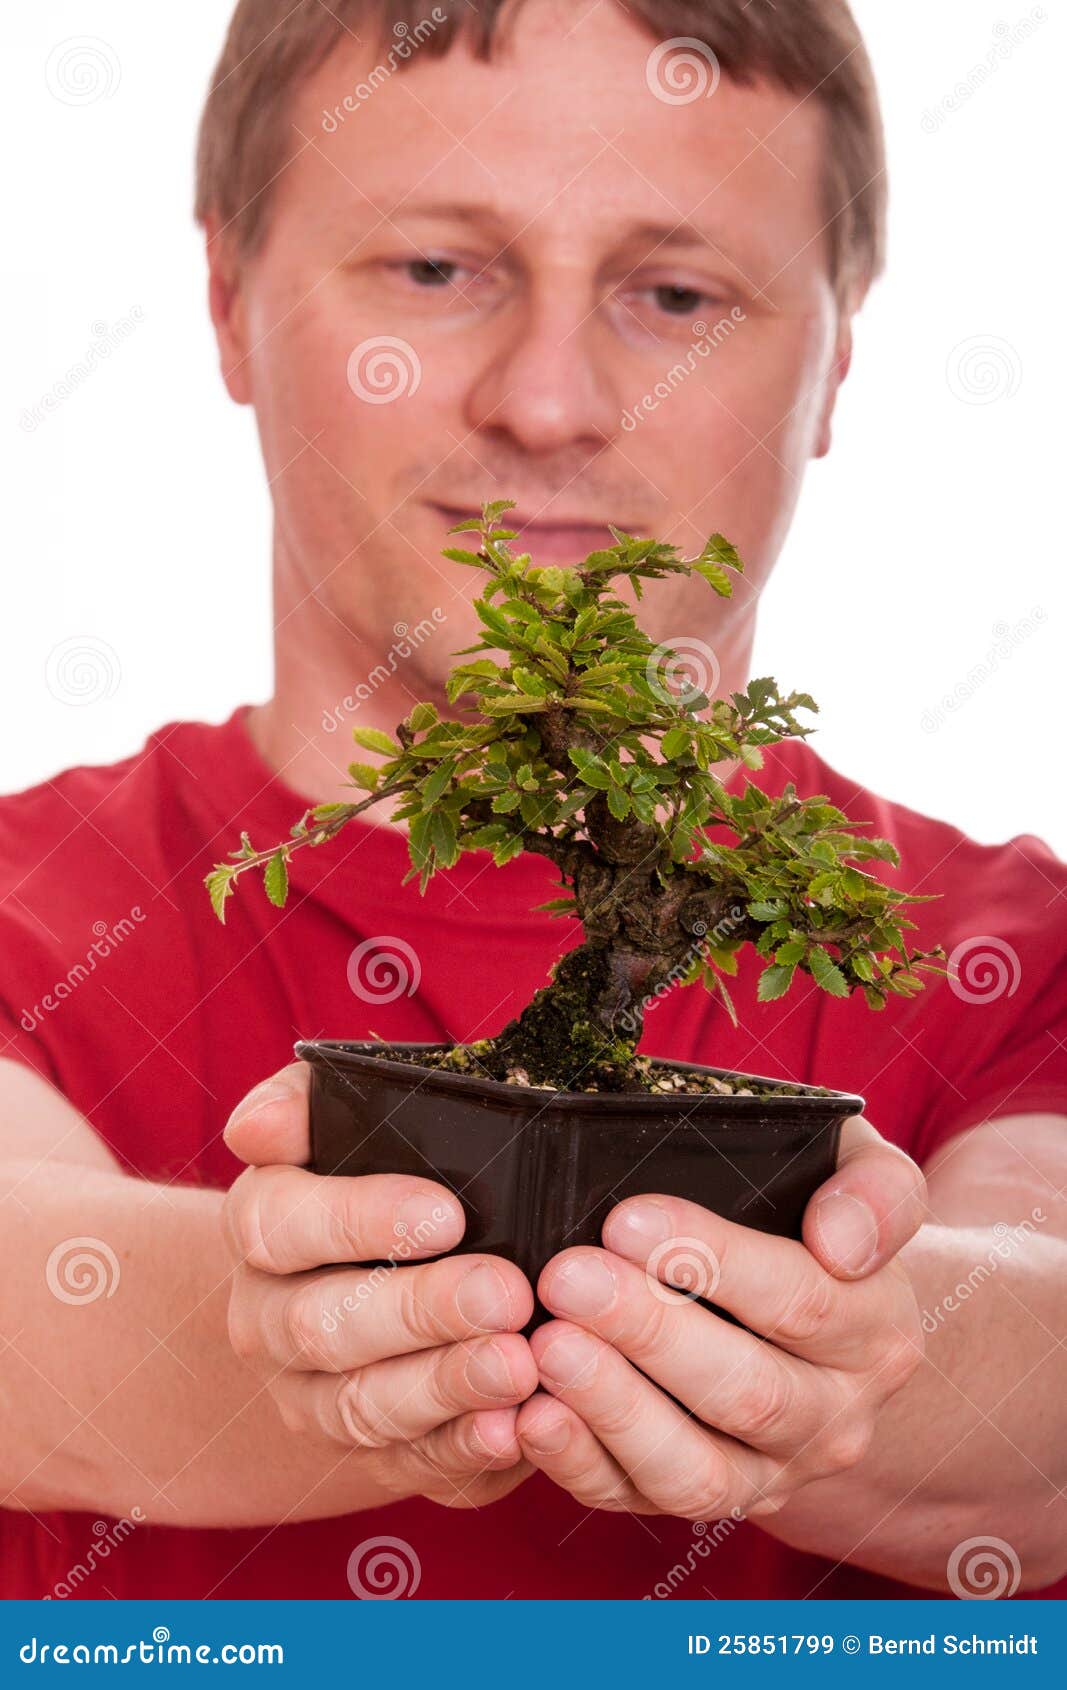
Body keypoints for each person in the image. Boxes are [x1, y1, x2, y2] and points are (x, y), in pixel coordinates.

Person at [1, 0, 1064, 1602]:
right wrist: (334, 1330)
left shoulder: (1015, 965)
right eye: (437, 270)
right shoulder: (37, 918)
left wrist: (864, 1352)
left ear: (837, 356)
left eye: (676, 294)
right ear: (227, 298)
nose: (551, 403)